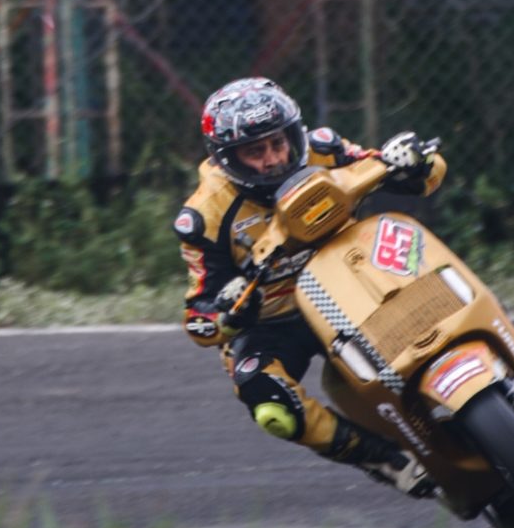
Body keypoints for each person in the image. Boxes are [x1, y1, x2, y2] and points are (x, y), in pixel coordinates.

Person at [173, 77, 445, 499]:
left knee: (424, 264)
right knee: (270, 407)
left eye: (278, 143)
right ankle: (382, 459)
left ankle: (512, 355)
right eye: (255, 151)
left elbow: (419, 173)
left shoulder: (323, 148)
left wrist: (417, 164)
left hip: (351, 283)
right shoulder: (203, 216)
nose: (273, 159)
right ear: (226, 158)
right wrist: (228, 315)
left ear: (293, 134)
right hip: (274, 321)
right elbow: (198, 320)